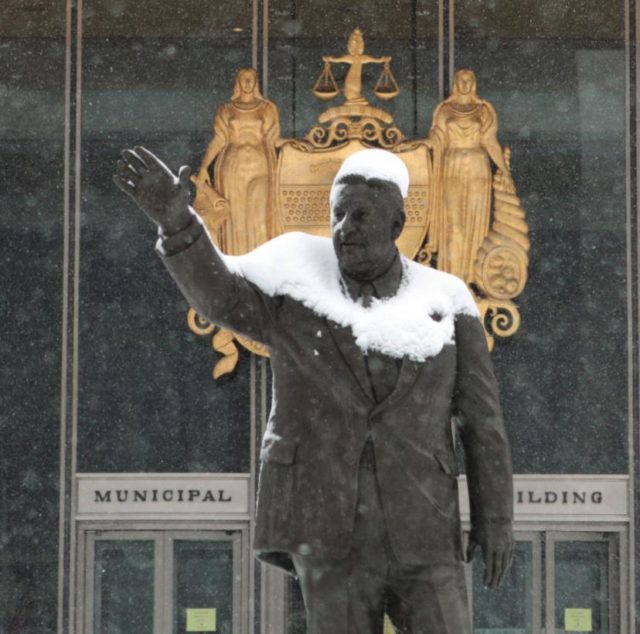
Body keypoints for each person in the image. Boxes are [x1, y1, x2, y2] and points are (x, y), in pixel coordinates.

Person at [114, 146, 513, 634]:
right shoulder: (294, 282)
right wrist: (178, 226)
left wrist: (495, 519)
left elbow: (483, 425)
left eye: (361, 215)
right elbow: (219, 293)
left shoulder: (447, 302)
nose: (345, 227)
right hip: (328, 531)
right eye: (338, 214)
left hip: (423, 528)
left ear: (397, 224)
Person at [428, 69, 514, 282]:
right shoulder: (444, 110)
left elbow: (490, 142)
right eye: (461, 80)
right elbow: (435, 141)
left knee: (476, 225)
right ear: (455, 83)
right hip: (452, 167)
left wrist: (504, 171)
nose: (465, 84)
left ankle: (472, 279)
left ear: (473, 83)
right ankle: (452, 279)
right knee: (454, 227)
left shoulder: (483, 110)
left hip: (478, 168)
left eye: (469, 80)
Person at [195, 67, 280, 254]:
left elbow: (273, 141)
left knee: (260, 218)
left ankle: (261, 263)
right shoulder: (226, 110)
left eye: (251, 79)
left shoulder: (267, 108)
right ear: (238, 82)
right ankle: (236, 261)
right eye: (244, 78)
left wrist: (295, 145)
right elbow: (219, 140)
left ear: (256, 82)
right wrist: (204, 167)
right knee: (235, 218)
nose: (248, 82)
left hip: (260, 167)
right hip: (232, 167)